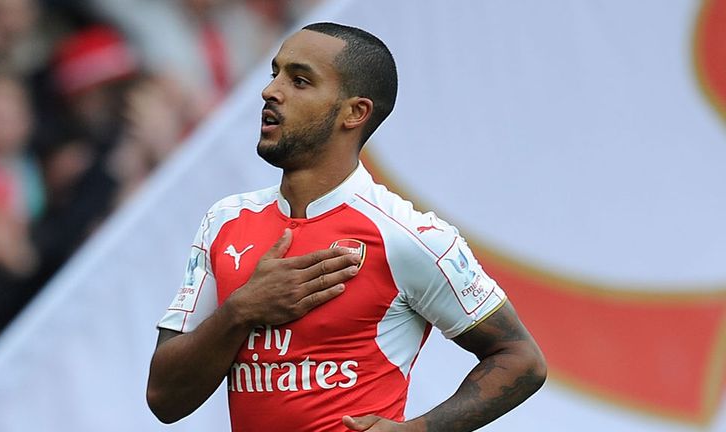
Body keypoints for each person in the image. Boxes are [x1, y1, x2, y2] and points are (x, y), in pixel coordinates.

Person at [146, 22, 547, 432]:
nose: (270, 91)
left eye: (299, 80)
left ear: (355, 112)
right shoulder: (224, 221)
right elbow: (164, 400)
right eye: (275, 73)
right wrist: (242, 310)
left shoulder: (410, 235)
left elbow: (521, 359)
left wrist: (419, 430)